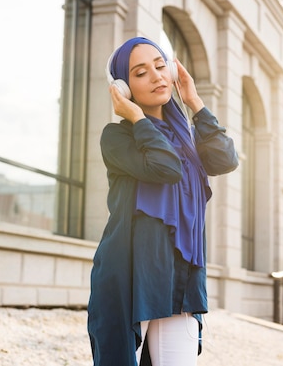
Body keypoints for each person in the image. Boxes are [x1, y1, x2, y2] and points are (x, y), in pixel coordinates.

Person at [87, 36, 239, 366]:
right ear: (123, 88)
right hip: (131, 274)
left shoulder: (188, 138)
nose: (156, 76)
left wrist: (195, 101)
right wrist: (137, 117)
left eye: (160, 66)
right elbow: (165, 167)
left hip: (181, 280)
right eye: (141, 72)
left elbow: (226, 160)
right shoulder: (117, 137)